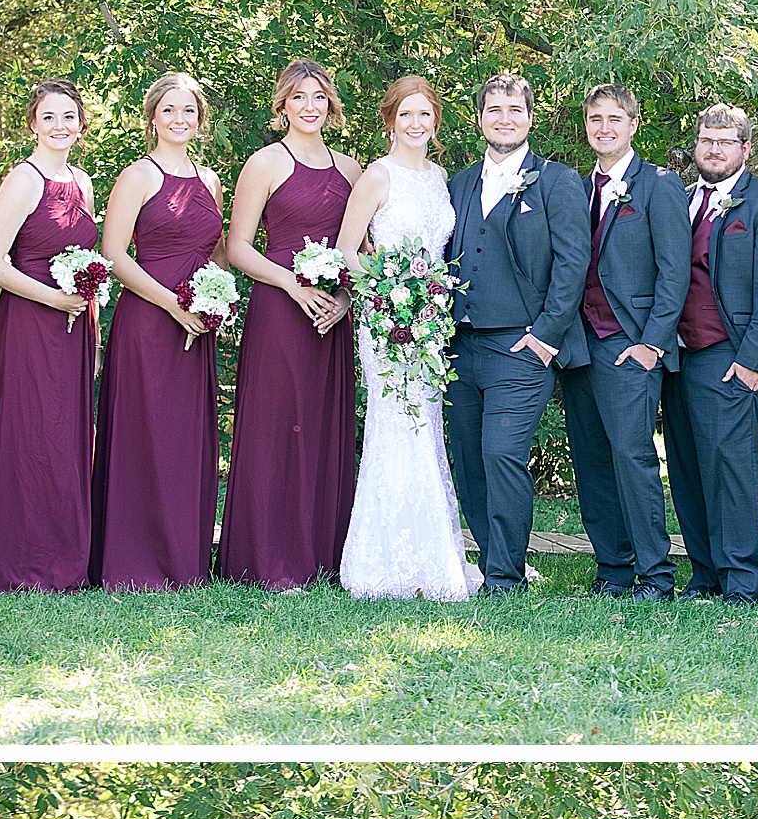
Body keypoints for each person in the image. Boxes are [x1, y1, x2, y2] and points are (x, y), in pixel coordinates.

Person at [444, 73, 593, 596]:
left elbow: (574, 263)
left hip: (521, 347)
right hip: (459, 347)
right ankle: (489, 562)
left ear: (531, 117)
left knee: (502, 454)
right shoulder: (458, 184)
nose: (503, 118)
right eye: (493, 109)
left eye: (514, 109)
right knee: (468, 459)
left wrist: (545, 337)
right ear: (479, 118)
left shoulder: (556, 181)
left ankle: (506, 577)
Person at [216, 59, 363, 588]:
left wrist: (345, 299)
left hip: (332, 316)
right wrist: (292, 285)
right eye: (298, 97)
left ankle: (325, 555)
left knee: (325, 428)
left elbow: (363, 250)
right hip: (280, 309)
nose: (309, 106)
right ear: (282, 106)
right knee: (277, 427)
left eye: (319, 97)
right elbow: (236, 249)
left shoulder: (352, 171)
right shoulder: (264, 163)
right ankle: (267, 559)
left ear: (331, 106)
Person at [333, 76, 479, 601]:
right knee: (395, 427)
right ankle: (383, 559)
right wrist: (381, 296)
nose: (416, 124)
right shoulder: (377, 176)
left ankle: (436, 554)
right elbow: (348, 248)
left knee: (428, 430)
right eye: (406, 115)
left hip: (432, 324)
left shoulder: (440, 176)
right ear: (390, 120)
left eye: (425, 115)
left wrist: (428, 298)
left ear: (435, 121)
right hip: (387, 324)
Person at [90, 73, 228, 590]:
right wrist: (173, 304)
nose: (179, 120)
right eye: (169, 110)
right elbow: (114, 254)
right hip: (150, 320)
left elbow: (214, 253)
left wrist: (213, 299)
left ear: (200, 119)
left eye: (188, 111)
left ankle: (182, 560)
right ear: (153, 118)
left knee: (184, 440)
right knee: (143, 436)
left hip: (196, 325)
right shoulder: (138, 175)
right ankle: (132, 561)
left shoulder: (211, 180)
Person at [657, 104, 758, 604]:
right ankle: (706, 574)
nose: (713, 149)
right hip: (677, 356)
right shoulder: (678, 198)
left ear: (745, 148)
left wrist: (753, 360)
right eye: (706, 140)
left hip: (729, 354)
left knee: (732, 469)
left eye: (724, 141)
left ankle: (742, 578)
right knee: (688, 467)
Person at [555, 84, 690, 600]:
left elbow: (675, 272)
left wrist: (652, 343)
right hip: (579, 347)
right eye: (595, 119)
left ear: (633, 125)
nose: (604, 128)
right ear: (585, 126)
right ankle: (613, 570)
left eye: (615, 119)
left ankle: (655, 575)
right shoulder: (570, 186)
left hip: (629, 343)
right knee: (590, 459)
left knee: (632, 457)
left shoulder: (658, 185)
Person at [0, 81, 100, 592]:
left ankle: (63, 561)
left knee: (65, 437)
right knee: (29, 435)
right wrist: (54, 298)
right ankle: (17, 563)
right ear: (32, 124)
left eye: (69, 117)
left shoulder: (82, 182)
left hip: (74, 327)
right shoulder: (23, 180)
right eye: (48, 117)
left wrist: (86, 298)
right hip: (29, 324)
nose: (59, 126)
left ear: (82, 126)